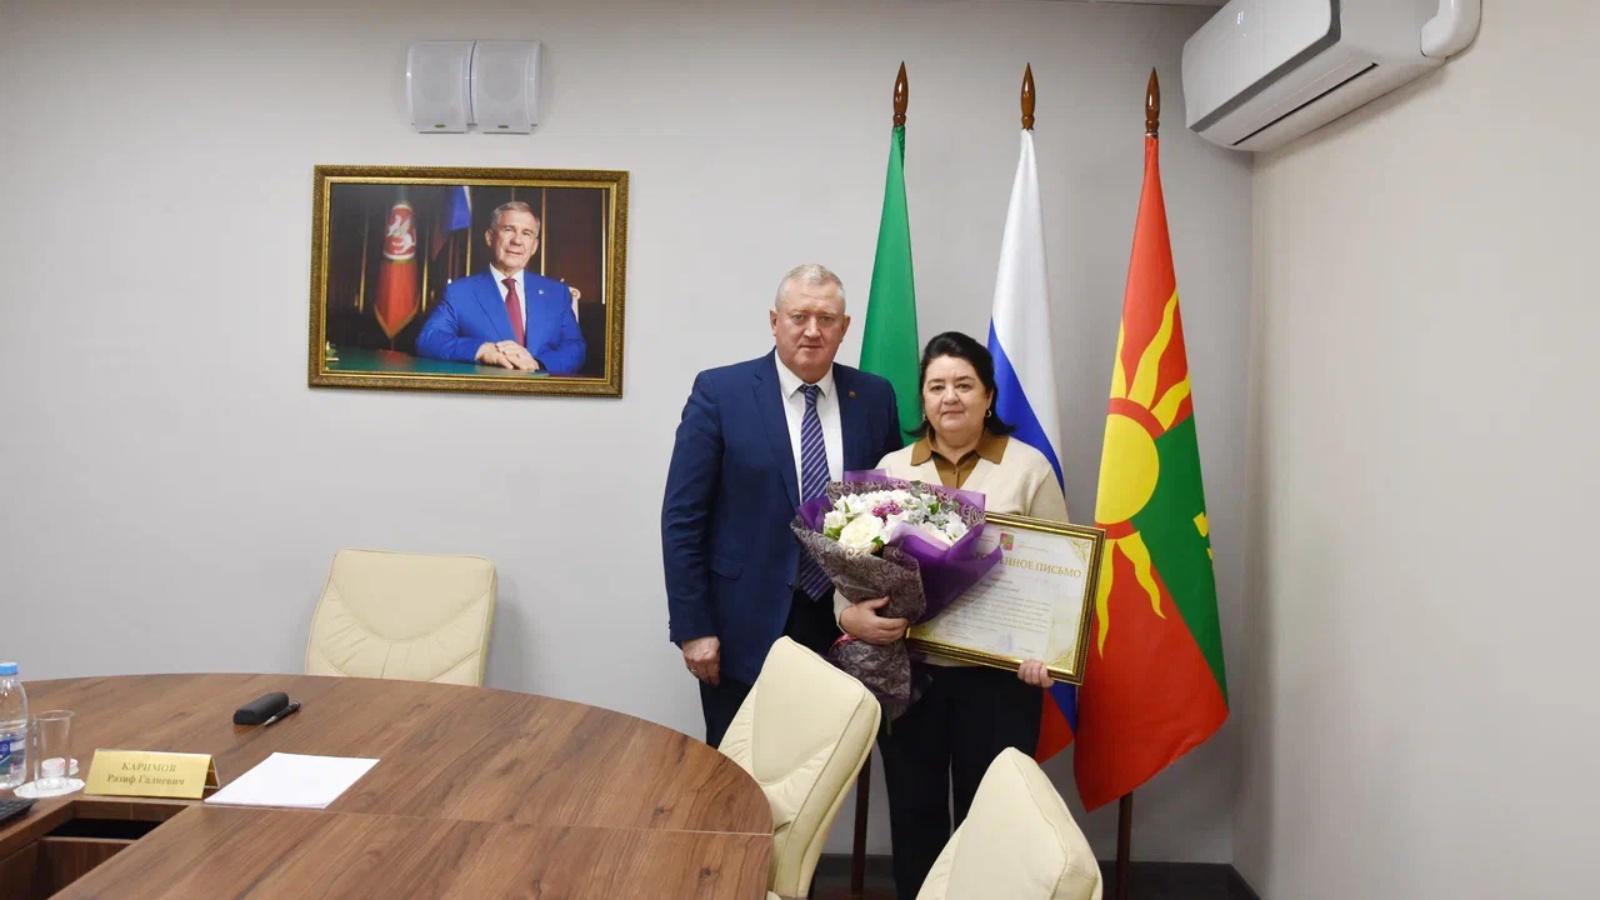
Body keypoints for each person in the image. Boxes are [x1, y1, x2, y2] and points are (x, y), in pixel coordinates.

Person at [835, 330, 1068, 900]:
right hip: (910, 677)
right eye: (937, 386)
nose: (950, 397)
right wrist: (849, 617)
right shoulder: (893, 468)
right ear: (923, 399)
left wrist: (1049, 653)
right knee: (914, 816)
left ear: (989, 396)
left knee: (991, 820)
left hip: (999, 683)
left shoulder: (1029, 468)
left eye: (964, 384)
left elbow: (1060, 576)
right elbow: (852, 569)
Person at [661, 264, 902, 749]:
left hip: (842, 624)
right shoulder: (721, 393)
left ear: (844, 327)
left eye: (826, 319)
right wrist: (694, 628)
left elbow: (891, 513)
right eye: (799, 317)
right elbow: (683, 518)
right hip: (742, 629)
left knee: (822, 771)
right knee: (735, 775)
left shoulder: (874, 397)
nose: (813, 331)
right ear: (775, 321)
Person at [414, 201, 585, 375]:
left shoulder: (557, 293)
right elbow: (428, 339)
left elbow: (575, 347)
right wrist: (482, 350)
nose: (517, 240)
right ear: (490, 237)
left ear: (534, 246)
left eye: (526, 233)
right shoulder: (459, 293)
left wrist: (538, 364)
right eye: (508, 230)